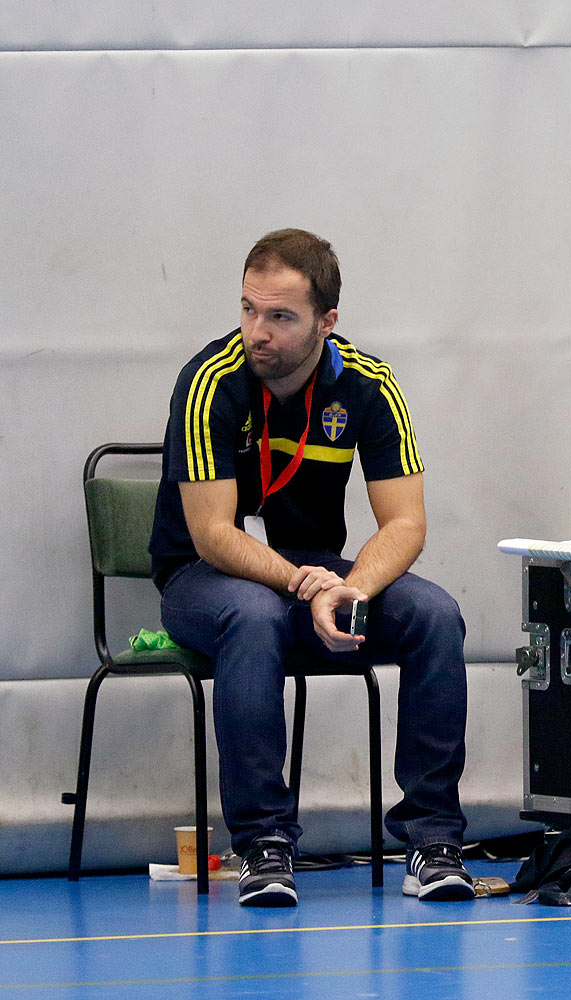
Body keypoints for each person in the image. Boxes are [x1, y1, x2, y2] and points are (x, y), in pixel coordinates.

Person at [149, 229, 473, 906]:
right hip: (204, 579)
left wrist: (351, 589)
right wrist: (305, 585)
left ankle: (433, 840)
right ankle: (264, 845)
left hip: (320, 574)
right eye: (247, 309)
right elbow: (210, 535)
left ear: (327, 322)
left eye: (280, 317)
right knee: (254, 614)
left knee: (436, 615)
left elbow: (407, 523)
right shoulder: (211, 382)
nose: (255, 332)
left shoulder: (368, 384)